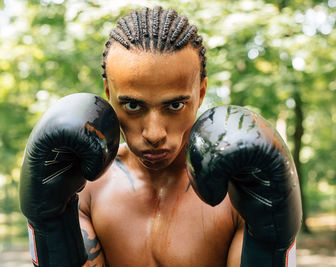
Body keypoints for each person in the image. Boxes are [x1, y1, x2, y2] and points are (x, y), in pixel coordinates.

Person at [19, 6, 302, 267]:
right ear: (108, 94)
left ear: (200, 93)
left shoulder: (240, 193)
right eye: (133, 105)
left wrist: (270, 243)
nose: (154, 134)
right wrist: (51, 224)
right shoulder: (85, 190)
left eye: (175, 105)